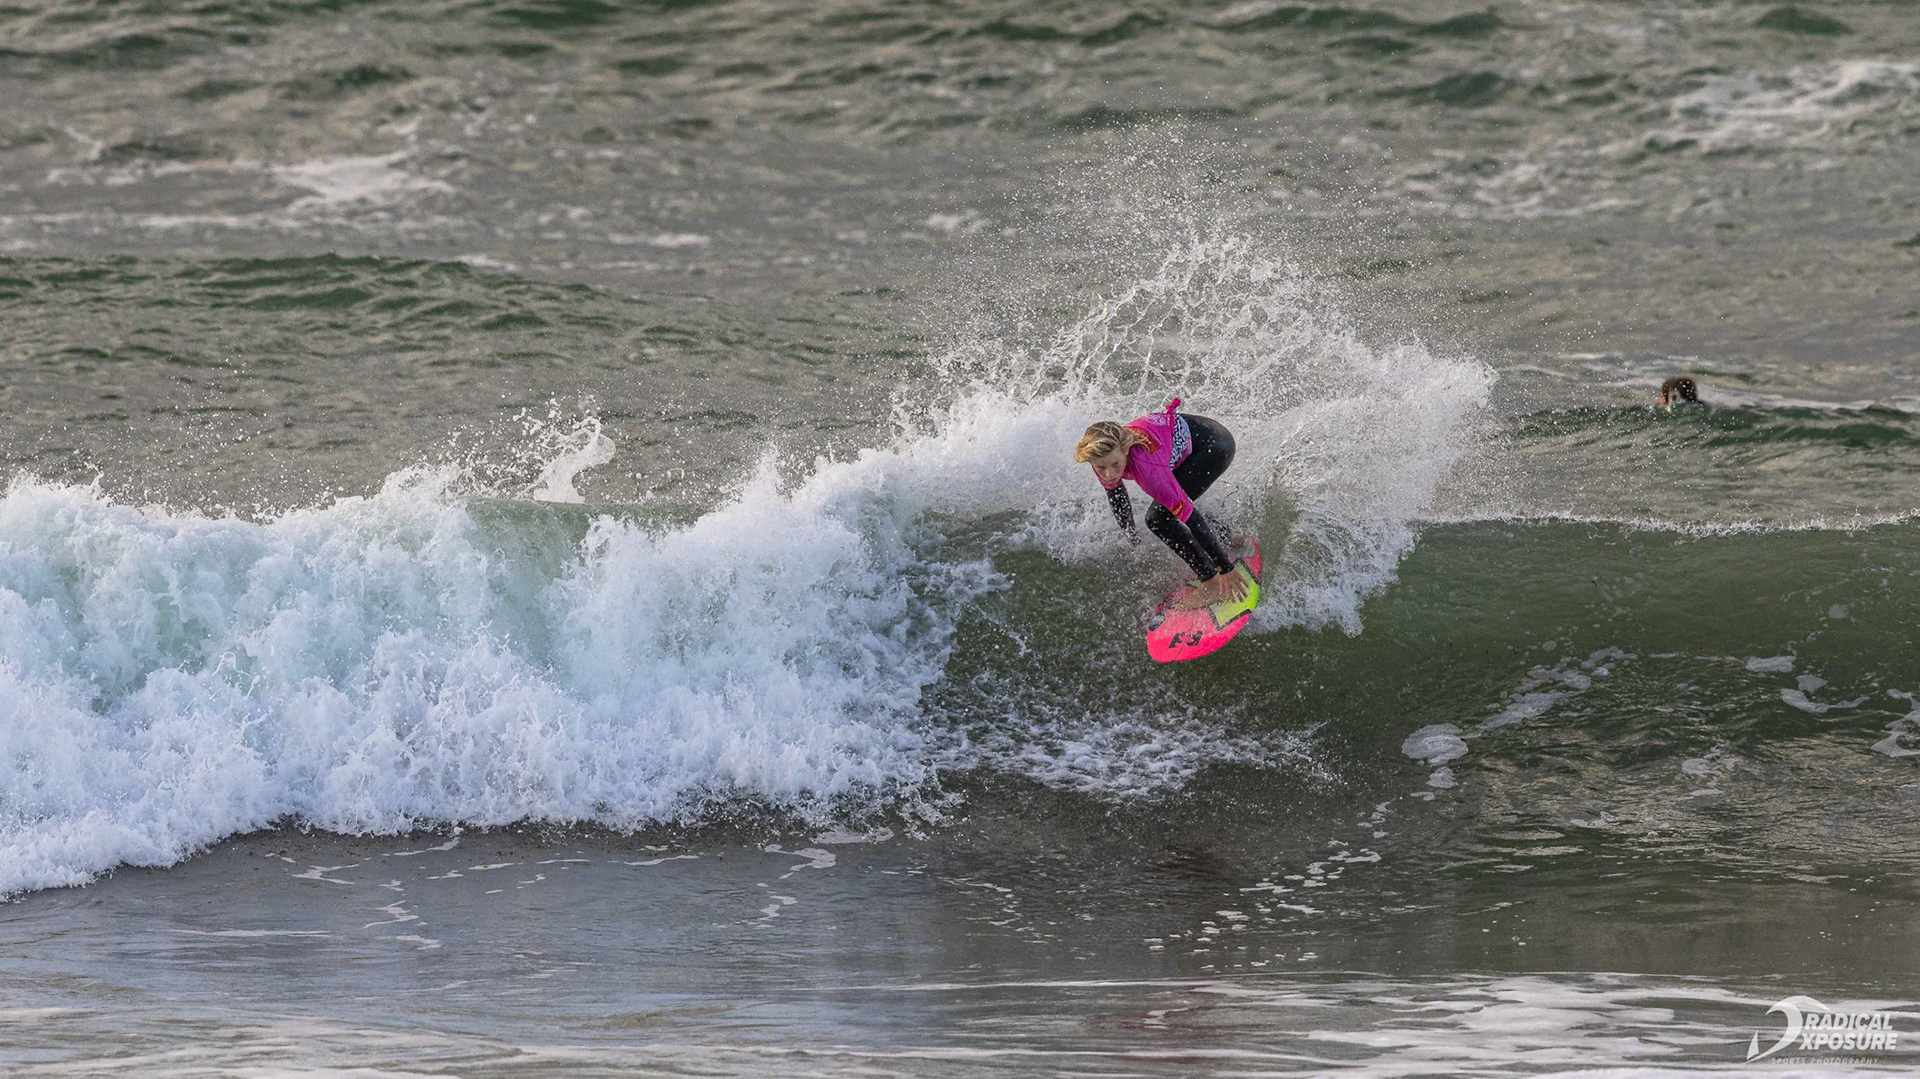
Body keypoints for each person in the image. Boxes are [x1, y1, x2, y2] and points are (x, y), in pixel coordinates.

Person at [1074, 399, 1247, 610]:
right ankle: (1227, 537)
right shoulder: (1103, 455)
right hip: (1192, 441)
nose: (1109, 473)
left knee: (1158, 519)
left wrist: (1225, 567)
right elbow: (1116, 494)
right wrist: (1133, 539)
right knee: (1177, 498)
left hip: (1214, 446)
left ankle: (1210, 581)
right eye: (1101, 468)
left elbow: (1190, 516)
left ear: (1125, 450)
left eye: (1115, 465)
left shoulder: (1148, 470)